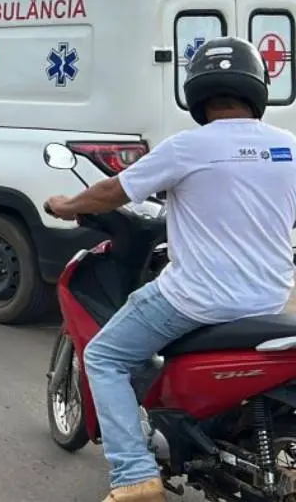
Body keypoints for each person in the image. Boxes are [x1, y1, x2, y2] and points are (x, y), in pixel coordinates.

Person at [43, 36, 296, 502]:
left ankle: (134, 474)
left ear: (197, 91)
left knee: (104, 357)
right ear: (257, 87)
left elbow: (112, 193)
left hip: (197, 298)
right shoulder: (289, 147)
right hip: (268, 299)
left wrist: (65, 205)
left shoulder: (186, 147)